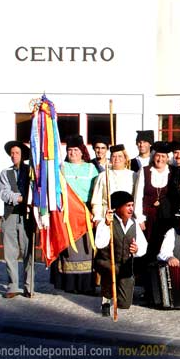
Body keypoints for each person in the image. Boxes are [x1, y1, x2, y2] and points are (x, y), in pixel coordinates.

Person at [51, 135, 98, 294]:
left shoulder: (91, 168)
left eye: (76, 150)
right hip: (67, 213)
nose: (72, 153)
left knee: (85, 249)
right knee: (70, 250)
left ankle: (85, 285)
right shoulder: (61, 167)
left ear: (82, 151)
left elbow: (95, 191)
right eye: (70, 150)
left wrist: (93, 210)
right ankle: (70, 285)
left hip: (85, 212)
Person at [94, 191, 147, 316]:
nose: (131, 209)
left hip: (125, 265)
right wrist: (107, 224)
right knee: (112, 270)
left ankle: (117, 291)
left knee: (124, 304)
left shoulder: (134, 224)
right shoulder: (107, 222)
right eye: (128, 205)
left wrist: (137, 249)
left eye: (132, 205)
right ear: (118, 207)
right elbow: (100, 244)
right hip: (107, 261)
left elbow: (143, 246)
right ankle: (106, 299)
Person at [0, 140, 35, 298]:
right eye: (12, 153)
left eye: (17, 153)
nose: (14, 155)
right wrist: (19, 198)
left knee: (29, 252)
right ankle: (12, 287)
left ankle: (29, 287)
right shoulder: (5, 173)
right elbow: (3, 193)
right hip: (11, 215)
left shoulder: (32, 172)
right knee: (10, 252)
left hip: (27, 216)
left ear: (22, 155)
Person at [91, 144, 139, 226]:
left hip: (127, 218)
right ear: (110, 159)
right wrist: (98, 218)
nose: (117, 159)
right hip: (108, 217)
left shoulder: (133, 176)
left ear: (125, 158)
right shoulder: (103, 176)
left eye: (120, 156)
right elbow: (96, 200)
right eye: (114, 156)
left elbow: (137, 198)